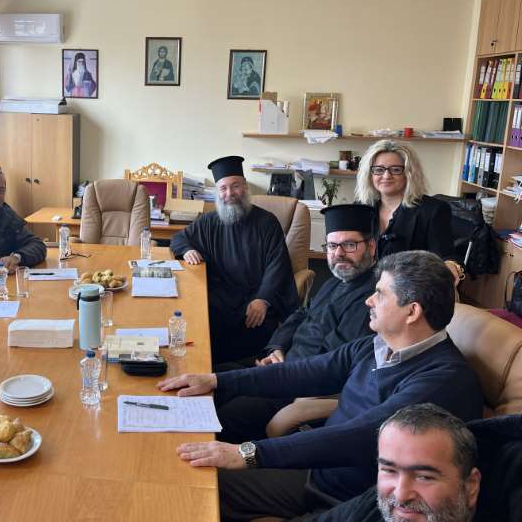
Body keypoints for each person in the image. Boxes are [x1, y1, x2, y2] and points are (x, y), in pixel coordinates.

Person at [157, 250, 483, 521]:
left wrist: (249, 452)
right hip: (317, 473)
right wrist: (215, 380)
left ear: (412, 312)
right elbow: (301, 373)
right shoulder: (377, 345)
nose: (369, 300)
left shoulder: (443, 379)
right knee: (191, 482)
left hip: (352, 501)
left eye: (381, 294)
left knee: (201, 495)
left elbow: (361, 435)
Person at [217, 203, 378, 443]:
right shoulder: (335, 281)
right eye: (332, 246)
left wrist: (280, 371)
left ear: (371, 246)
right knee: (211, 379)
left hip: (299, 387)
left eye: (349, 245)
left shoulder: (372, 297)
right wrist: (276, 348)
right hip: (281, 367)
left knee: (222, 418)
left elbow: (335, 361)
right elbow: (301, 314)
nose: (339, 253)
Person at [170, 155, 299, 364]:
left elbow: (278, 265)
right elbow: (179, 238)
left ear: (245, 187)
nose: (229, 194)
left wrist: (263, 299)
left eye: (235, 186)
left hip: (253, 303)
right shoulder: (209, 221)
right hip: (219, 302)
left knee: (252, 340)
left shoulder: (267, 222)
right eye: (223, 188)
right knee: (194, 322)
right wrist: (186, 250)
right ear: (217, 192)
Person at [308, 403, 482, 522]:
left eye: (424, 477)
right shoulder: (371, 505)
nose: (400, 496)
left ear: (471, 486)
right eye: (389, 470)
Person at [356, 139, 463, 283]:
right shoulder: (360, 208)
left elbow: (445, 257)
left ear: (409, 173)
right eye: (379, 170)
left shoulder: (432, 210)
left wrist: (451, 265)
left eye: (395, 170)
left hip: (408, 289)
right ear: (370, 174)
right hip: (364, 285)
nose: (386, 176)